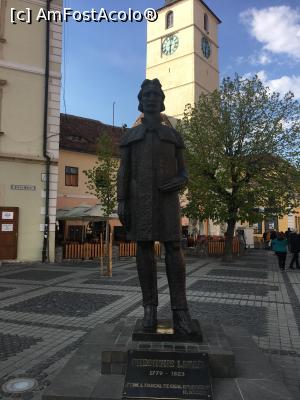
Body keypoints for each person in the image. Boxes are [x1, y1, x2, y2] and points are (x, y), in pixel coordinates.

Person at [117, 79, 195, 334]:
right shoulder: (131, 136)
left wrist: (180, 181)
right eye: (146, 94)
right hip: (139, 200)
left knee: (174, 247)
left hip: (167, 200)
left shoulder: (173, 135)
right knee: (144, 248)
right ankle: (149, 308)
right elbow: (123, 172)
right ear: (141, 101)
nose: (151, 98)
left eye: (155, 94)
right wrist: (121, 201)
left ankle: (180, 310)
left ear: (161, 102)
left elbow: (184, 171)